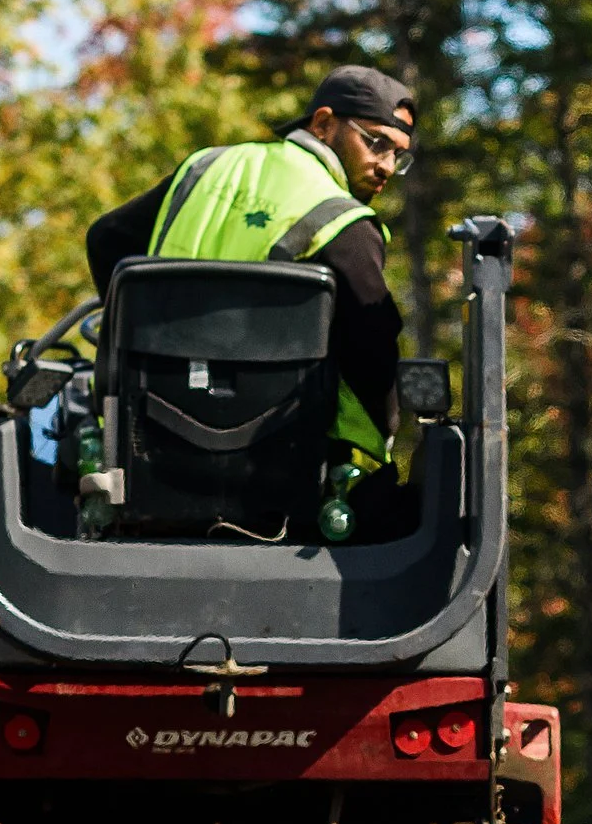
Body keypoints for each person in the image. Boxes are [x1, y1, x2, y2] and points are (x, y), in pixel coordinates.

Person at [86, 65, 418, 530]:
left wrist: (133, 333)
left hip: (149, 457)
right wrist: (376, 452)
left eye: (399, 157)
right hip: (281, 480)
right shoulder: (345, 224)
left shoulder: (205, 168)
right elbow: (372, 349)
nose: (386, 166)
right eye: (376, 143)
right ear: (322, 124)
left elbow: (106, 239)